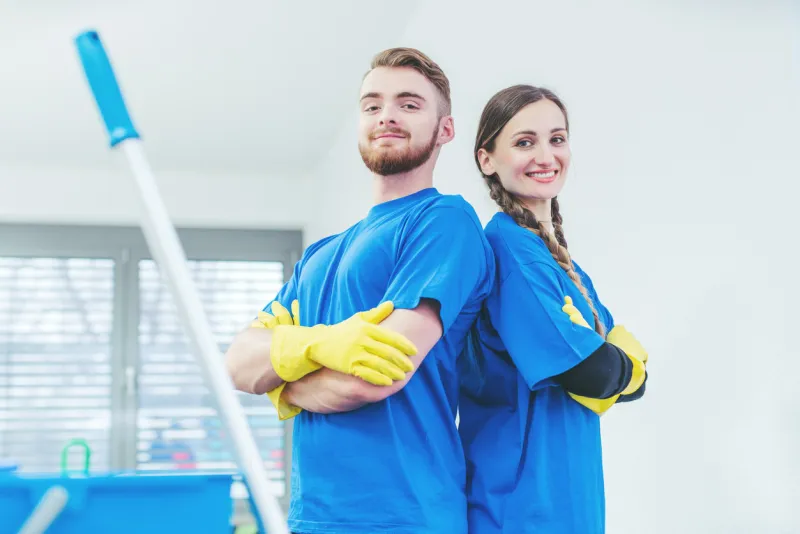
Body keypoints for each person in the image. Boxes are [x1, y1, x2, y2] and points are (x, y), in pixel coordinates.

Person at [225, 47, 495, 534]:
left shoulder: (442, 222)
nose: (386, 115)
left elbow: (373, 378)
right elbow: (240, 364)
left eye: (409, 104)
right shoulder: (320, 254)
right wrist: (319, 345)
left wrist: (282, 382)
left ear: (445, 130)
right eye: (372, 105)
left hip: (406, 516)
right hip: (314, 517)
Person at [457, 84, 649, 534]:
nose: (546, 155)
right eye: (525, 142)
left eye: (556, 139)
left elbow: (617, 379)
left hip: (569, 504)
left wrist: (620, 369)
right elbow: (595, 372)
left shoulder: (559, 261)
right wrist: (628, 363)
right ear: (487, 159)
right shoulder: (509, 249)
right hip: (520, 509)